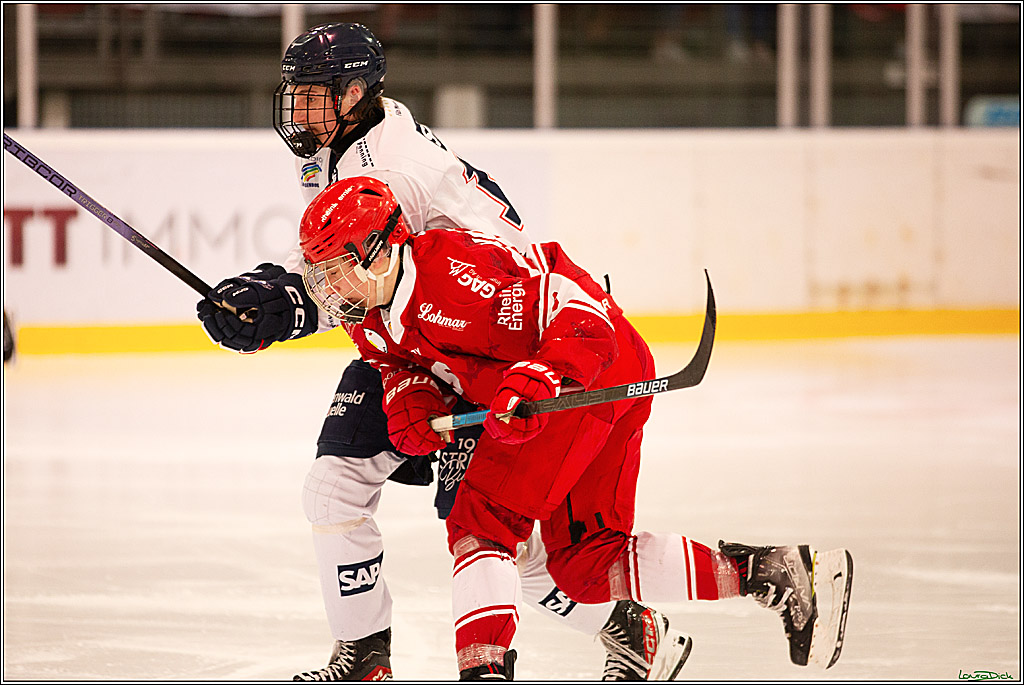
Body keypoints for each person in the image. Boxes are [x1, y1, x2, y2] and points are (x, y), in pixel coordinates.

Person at [196, 22, 691, 681]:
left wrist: (286, 302)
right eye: (296, 94)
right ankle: (365, 657)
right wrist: (271, 285)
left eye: (312, 95)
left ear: (354, 94)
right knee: (336, 485)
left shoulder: (394, 170)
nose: (299, 109)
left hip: (483, 347)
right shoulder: (338, 141)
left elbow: (348, 278)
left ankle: (629, 626)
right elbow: (339, 263)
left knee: (495, 544)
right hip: (414, 337)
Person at [295, 176, 855, 680]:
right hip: (591, 385)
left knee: (483, 520)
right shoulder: (365, 314)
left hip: (587, 378)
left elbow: (580, 304)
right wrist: (410, 398)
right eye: (320, 274)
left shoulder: (456, 277)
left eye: (334, 270)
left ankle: (484, 670)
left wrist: (544, 374)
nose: (327, 288)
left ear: (379, 251)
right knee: (586, 566)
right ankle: (772, 574)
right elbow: (401, 362)